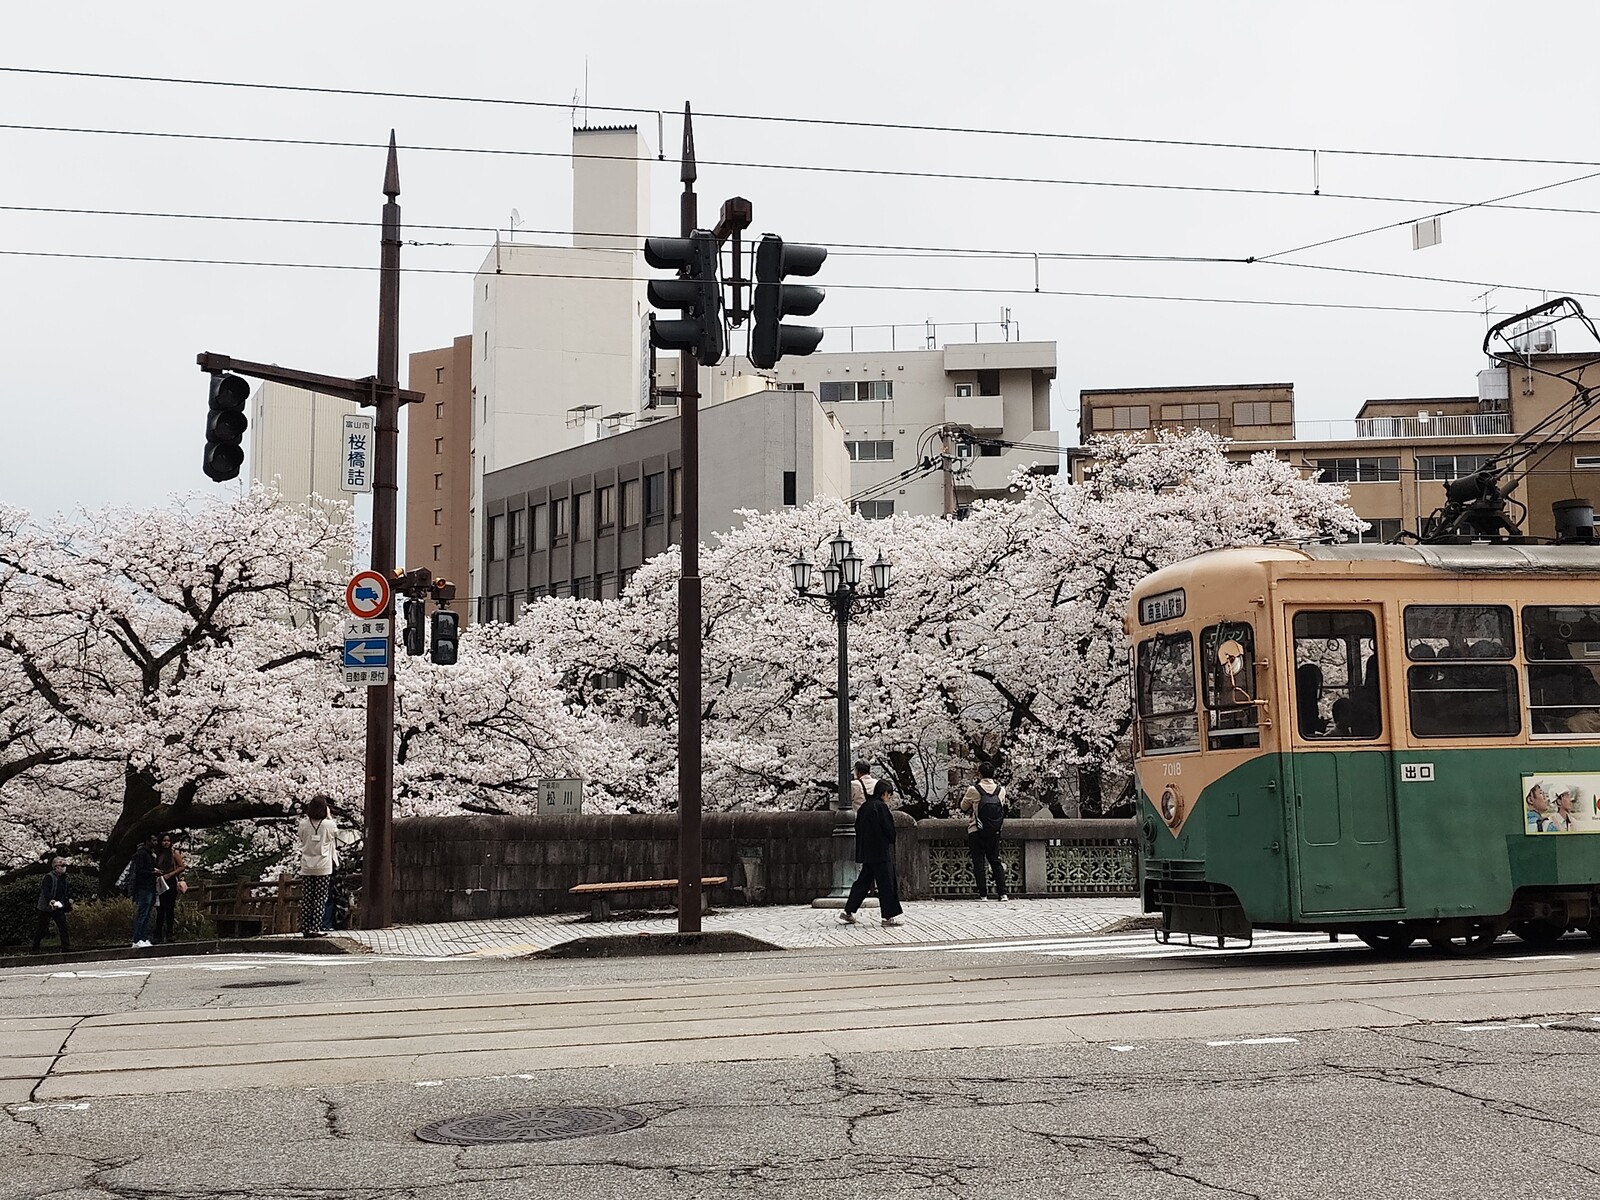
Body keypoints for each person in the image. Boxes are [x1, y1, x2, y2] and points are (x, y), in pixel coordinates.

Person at [838, 779, 904, 928]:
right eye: (889, 794)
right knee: (886, 883)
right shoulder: (881, 808)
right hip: (880, 852)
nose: (889, 798)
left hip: (867, 853)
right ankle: (888, 916)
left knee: (862, 883)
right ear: (884, 793)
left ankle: (849, 911)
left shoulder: (865, 807)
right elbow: (889, 830)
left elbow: (858, 826)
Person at [960, 763, 1010, 901]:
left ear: (979, 774)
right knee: (995, 860)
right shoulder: (1001, 790)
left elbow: (963, 807)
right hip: (994, 831)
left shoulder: (973, 790)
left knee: (979, 862)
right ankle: (1003, 893)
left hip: (976, 830)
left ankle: (983, 894)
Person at [298, 797, 339, 938]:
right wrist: (329, 816)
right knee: (320, 898)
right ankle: (315, 927)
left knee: (307, 897)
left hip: (307, 865)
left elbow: (301, 837)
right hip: (323, 866)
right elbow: (335, 833)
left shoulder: (303, 824)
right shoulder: (328, 824)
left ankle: (305, 927)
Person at [152, 834, 187, 945]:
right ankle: (158, 934)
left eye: (168, 841)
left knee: (170, 909)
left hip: (171, 882)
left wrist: (170, 874)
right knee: (160, 909)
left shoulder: (174, 853)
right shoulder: (157, 854)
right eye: (164, 840)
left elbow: (181, 866)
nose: (166, 843)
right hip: (160, 881)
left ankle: (169, 933)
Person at [33, 857, 73, 953]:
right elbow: (46, 890)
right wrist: (50, 900)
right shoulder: (49, 877)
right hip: (45, 907)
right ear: (55, 866)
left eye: (65, 865)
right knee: (42, 929)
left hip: (58, 906)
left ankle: (66, 946)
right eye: (62, 865)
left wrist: (68, 900)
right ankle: (35, 947)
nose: (64, 867)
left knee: (63, 926)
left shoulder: (64, 878)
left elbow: (65, 891)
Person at [130, 833, 160, 947]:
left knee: (147, 914)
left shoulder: (151, 854)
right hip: (143, 887)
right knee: (142, 913)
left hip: (151, 886)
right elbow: (139, 871)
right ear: (147, 841)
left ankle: (144, 937)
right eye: (153, 840)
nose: (155, 843)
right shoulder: (141, 854)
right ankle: (137, 938)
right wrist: (152, 873)